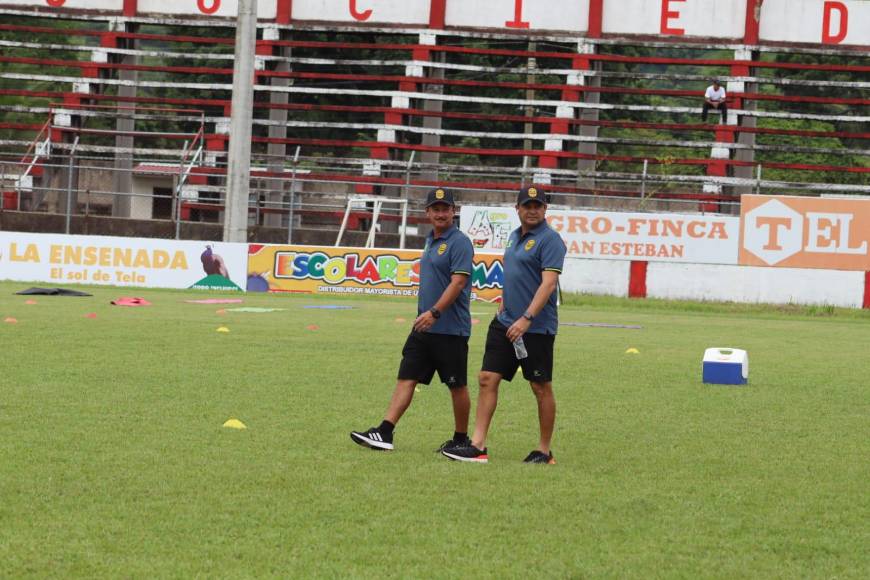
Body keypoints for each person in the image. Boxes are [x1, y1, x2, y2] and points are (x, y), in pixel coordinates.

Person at [442, 186, 566, 465]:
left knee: (540, 386)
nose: (532, 210)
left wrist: (526, 318)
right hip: (505, 321)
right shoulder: (513, 237)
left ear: (545, 209)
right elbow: (515, 274)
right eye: (527, 205)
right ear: (517, 208)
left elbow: (548, 284)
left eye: (537, 205)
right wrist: (504, 302)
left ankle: (544, 451)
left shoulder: (550, 240)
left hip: (535, 327)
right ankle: (477, 446)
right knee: (487, 378)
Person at [351, 188, 475, 452]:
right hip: (424, 327)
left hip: (449, 329)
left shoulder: (460, 242)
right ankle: (384, 432)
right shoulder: (431, 240)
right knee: (406, 377)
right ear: (427, 212)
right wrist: (426, 316)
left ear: (453, 211)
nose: (441, 214)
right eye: (436, 209)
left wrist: (435, 312)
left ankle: (461, 438)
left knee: (456, 385)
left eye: (445, 209)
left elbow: (458, 282)